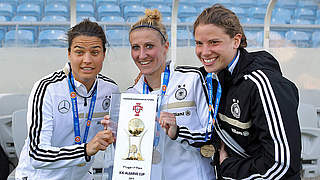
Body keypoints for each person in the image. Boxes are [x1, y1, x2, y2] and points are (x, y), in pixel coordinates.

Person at [193, 4, 301, 179]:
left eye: (214, 42)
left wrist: (228, 169)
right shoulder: (212, 77)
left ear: (236, 41)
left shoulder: (263, 84)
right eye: (199, 43)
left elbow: (282, 165)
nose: (204, 52)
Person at [103, 9, 215, 180]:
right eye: (135, 48)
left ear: (165, 47)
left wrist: (178, 132)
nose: (142, 55)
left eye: (149, 46)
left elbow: (212, 133)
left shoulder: (192, 79)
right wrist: (119, 135)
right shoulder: (132, 95)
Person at [15, 19, 119, 180]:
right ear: (69, 53)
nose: (87, 60)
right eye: (79, 52)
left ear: (104, 54)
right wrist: (85, 150)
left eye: (95, 52)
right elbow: (36, 154)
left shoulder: (111, 90)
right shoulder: (47, 88)